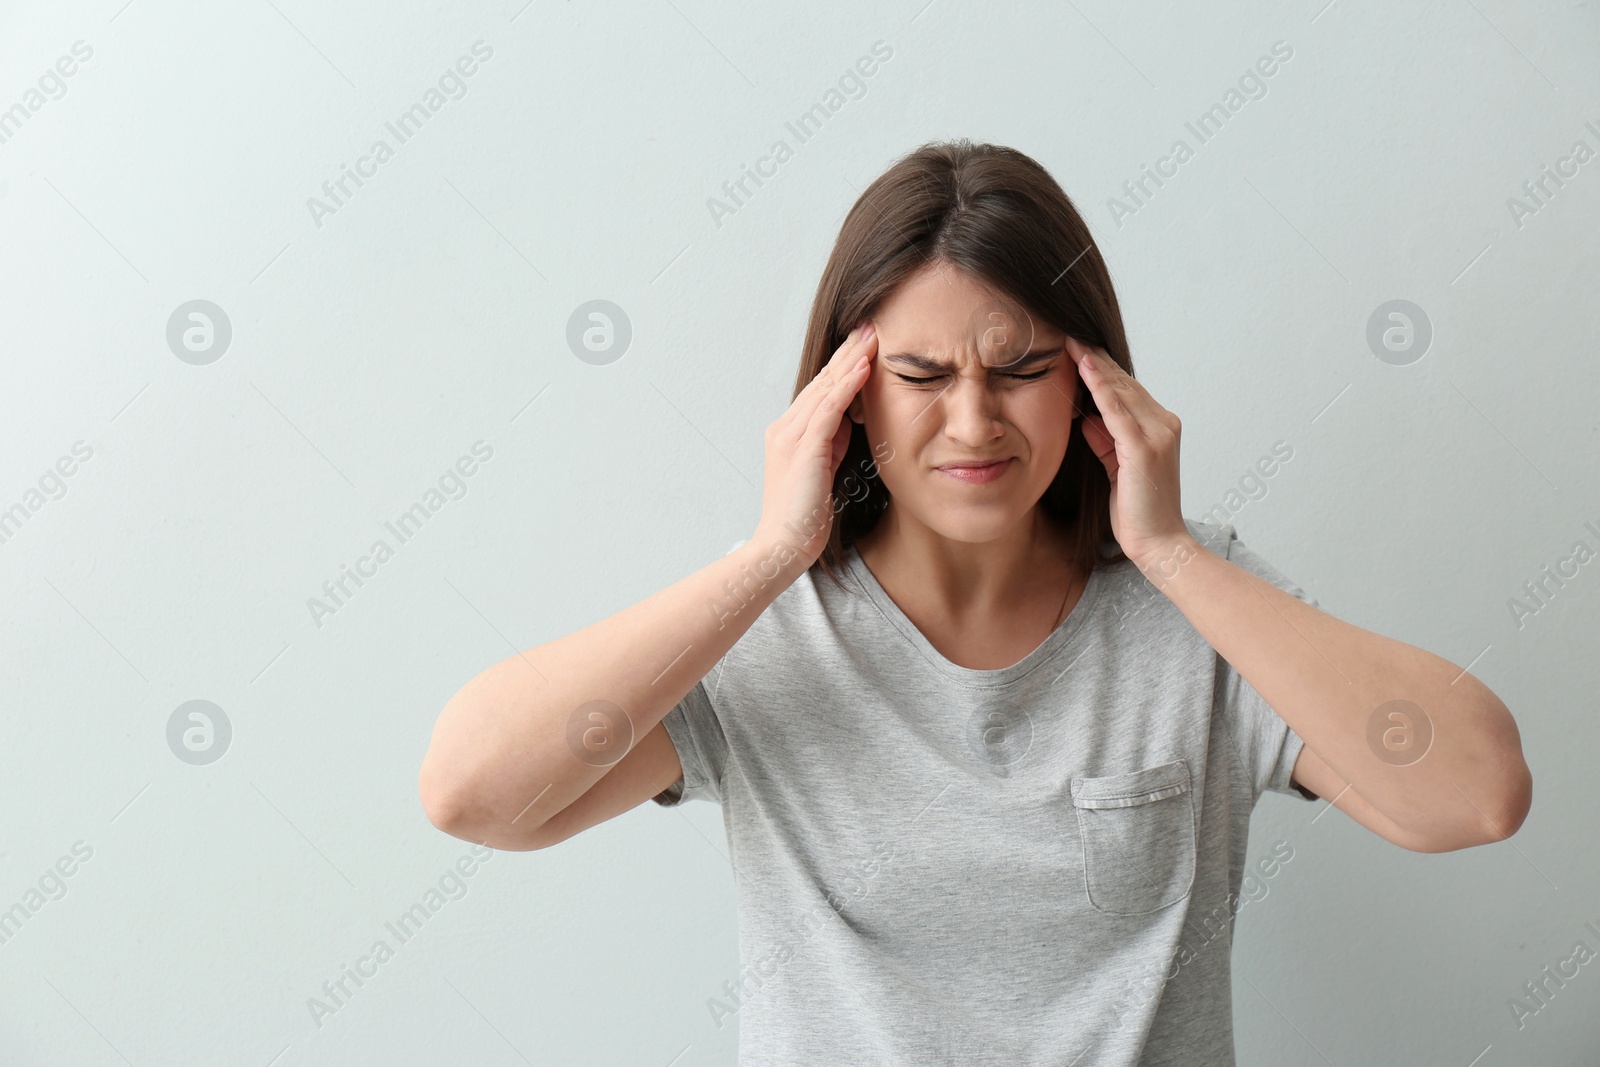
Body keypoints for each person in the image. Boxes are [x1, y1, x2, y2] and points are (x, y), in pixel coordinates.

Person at [418, 140, 1532, 1066]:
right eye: (920, 377)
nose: (972, 423)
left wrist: (1168, 550)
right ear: (843, 395)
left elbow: (1476, 793)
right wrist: (768, 556)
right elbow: (473, 792)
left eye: (1017, 369)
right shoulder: (767, 626)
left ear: (1091, 373)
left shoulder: (1200, 604)